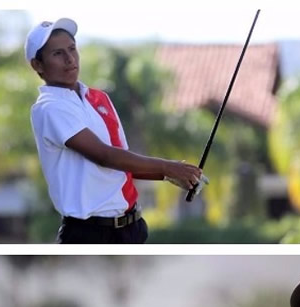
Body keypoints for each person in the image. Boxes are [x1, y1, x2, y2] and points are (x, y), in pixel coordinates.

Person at [26, 18, 206, 244]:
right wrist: (168, 167)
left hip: (132, 227)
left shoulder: (99, 98)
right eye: (57, 53)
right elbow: (104, 156)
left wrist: (171, 174)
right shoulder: (49, 108)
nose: (70, 59)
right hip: (88, 234)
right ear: (38, 65)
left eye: (72, 49)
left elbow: (120, 164)